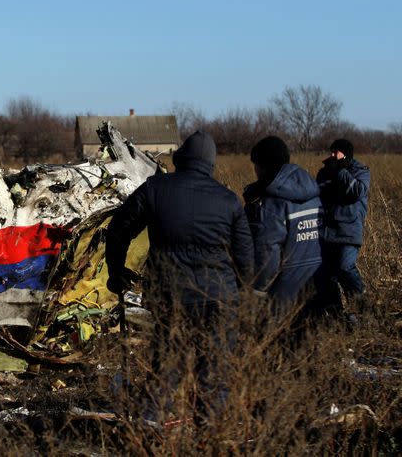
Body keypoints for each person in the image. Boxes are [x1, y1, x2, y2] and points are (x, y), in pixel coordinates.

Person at [105, 130, 254, 424]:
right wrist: (239, 292)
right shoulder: (229, 201)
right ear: (211, 164)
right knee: (215, 370)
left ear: (181, 158)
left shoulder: (156, 189)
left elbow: (119, 228)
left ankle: (149, 426)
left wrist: (116, 272)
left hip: (171, 296)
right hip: (219, 299)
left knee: (167, 367)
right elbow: (247, 261)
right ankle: (207, 432)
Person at [243, 136, 325, 316]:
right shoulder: (313, 194)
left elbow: (267, 255)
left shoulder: (271, 204)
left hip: (283, 300)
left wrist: (256, 293)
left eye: (256, 165)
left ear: (263, 166)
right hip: (317, 288)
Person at [315, 138, 370, 315]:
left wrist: (340, 171)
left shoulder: (360, 172)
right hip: (326, 232)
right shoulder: (324, 173)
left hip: (349, 231)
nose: (331, 155)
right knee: (325, 275)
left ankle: (360, 307)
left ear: (345, 154)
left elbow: (356, 192)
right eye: (330, 151)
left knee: (345, 267)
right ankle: (336, 315)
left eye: (335, 152)